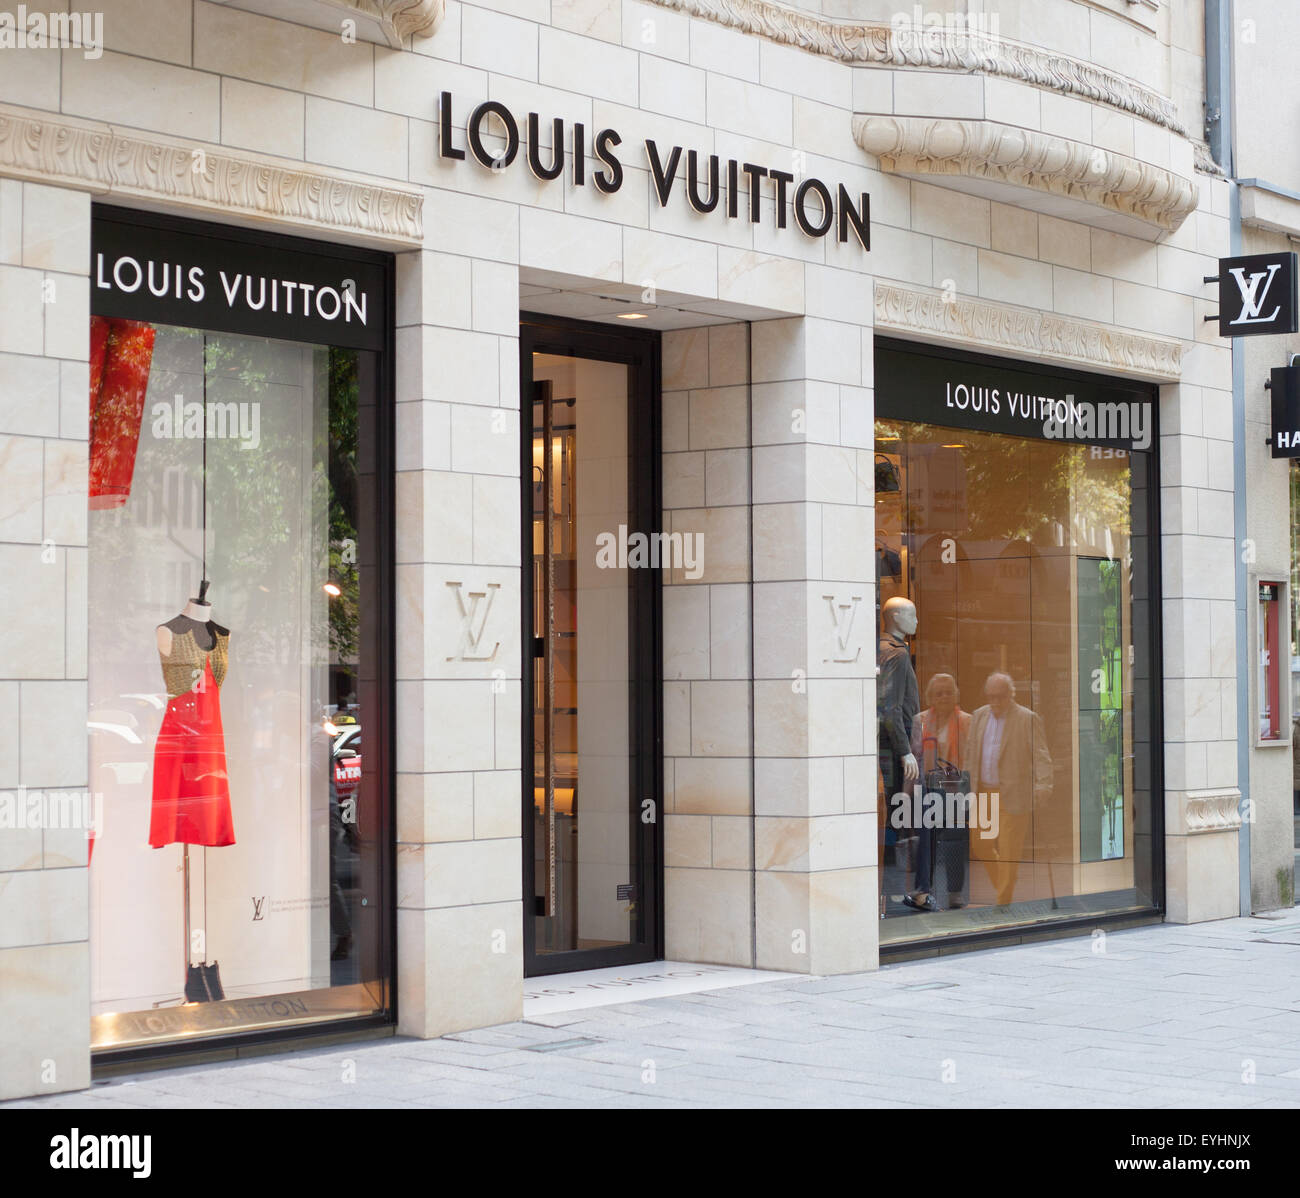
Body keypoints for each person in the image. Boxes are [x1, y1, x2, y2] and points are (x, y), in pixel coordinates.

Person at [966, 672, 1053, 907]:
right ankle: (1006, 882)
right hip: (983, 792)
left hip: (1013, 794)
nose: (995, 701)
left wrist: (1044, 785)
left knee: (1008, 850)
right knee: (981, 845)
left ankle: (1003, 902)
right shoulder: (979, 716)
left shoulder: (1027, 718)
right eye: (991, 696)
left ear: (1010, 695)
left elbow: (1041, 756)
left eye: (1000, 697)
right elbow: (971, 755)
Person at [905, 673, 971, 912]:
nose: (944, 696)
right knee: (926, 842)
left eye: (948, 691)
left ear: (956, 694)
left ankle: (954, 893)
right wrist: (906, 793)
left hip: (956, 790)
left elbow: (972, 757)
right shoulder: (919, 720)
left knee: (955, 841)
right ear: (930, 697)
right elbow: (914, 756)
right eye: (938, 692)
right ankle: (924, 890)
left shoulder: (966, 721)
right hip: (927, 790)